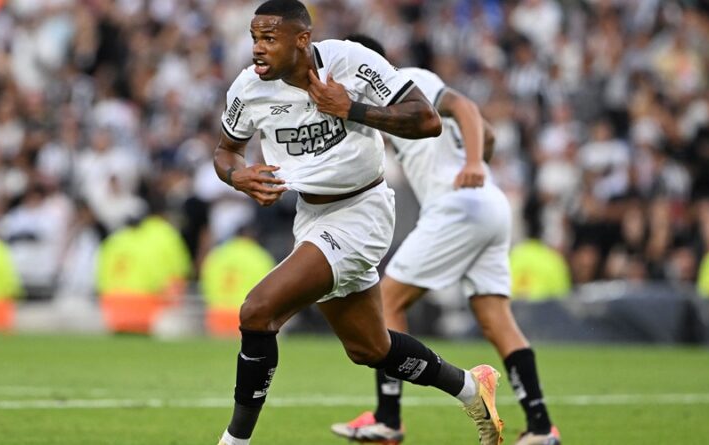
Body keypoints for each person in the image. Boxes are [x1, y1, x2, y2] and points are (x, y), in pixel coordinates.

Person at [213, 2, 503, 445]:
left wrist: (352, 109)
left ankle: (234, 442)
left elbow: (427, 121)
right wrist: (238, 176)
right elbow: (225, 151)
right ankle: (470, 387)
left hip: (362, 211)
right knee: (371, 349)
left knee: (257, 310)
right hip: (310, 216)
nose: (258, 49)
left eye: (269, 38)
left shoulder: (351, 62)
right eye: (255, 38)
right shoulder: (248, 89)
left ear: (302, 40)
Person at [330, 35, 560, 445]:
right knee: (495, 318)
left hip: (457, 207)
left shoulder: (408, 81)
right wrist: (475, 164)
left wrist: (470, 164)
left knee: (388, 303)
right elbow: (487, 134)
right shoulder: (379, 111)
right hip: (488, 204)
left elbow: (467, 109)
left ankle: (388, 420)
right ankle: (542, 427)